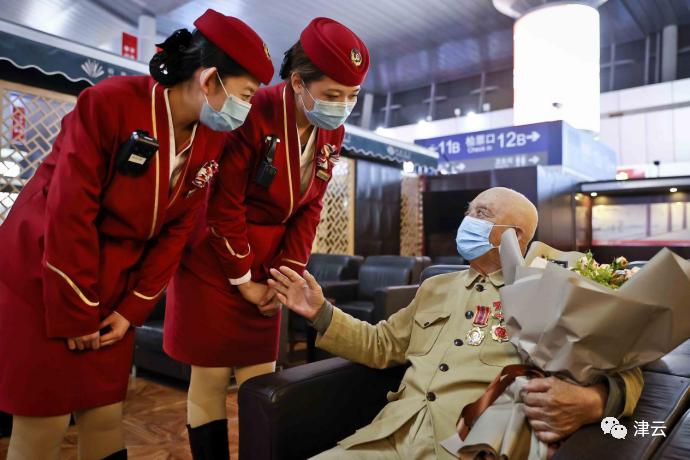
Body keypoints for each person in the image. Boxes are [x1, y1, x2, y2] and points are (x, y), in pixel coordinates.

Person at [0, 9, 273, 460]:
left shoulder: (211, 138)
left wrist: (132, 308)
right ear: (209, 80)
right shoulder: (108, 104)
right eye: (245, 95)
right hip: (47, 275)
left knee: (105, 413)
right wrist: (77, 312)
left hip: (115, 286)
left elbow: (178, 229)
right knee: (45, 420)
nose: (246, 109)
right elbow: (68, 214)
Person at [268, 187, 644, 460]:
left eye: (482, 214)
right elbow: (381, 344)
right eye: (470, 211)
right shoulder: (435, 287)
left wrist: (595, 401)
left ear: (514, 237)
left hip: (468, 445)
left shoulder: (550, 289)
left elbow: (625, 365)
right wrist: (320, 312)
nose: (468, 221)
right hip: (390, 436)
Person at [163, 17, 369, 458]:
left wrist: (283, 279)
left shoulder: (332, 130)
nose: (342, 106)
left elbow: (310, 207)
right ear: (297, 82)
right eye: (332, 95)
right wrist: (245, 281)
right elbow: (223, 206)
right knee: (210, 377)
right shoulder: (252, 111)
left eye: (352, 96)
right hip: (216, 259)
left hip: (269, 267)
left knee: (261, 378)